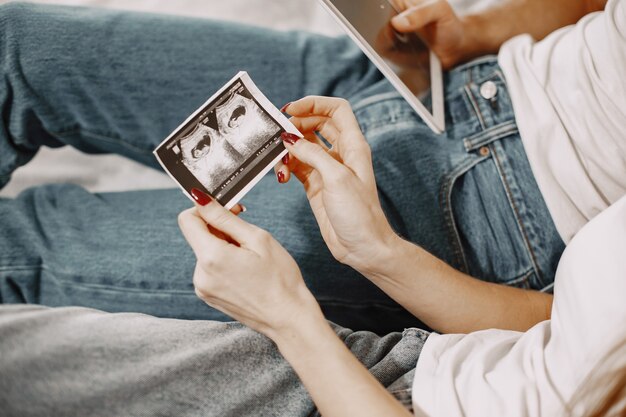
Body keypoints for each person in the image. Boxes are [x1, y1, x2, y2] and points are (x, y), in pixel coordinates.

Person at [0, 0, 624, 416]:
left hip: (488, 215)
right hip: (452, 77)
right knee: (16, 45)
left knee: (25, 250)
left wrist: (291, 313)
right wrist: (473, 32)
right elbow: (562, 325)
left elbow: (564, 343)